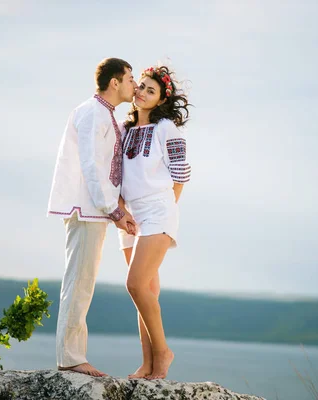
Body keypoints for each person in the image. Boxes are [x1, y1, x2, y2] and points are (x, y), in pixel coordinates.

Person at [47, 57, 137, 377]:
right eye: (130, 78)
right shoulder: (91, 112)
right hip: (87, 210)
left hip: (95, 211)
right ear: (114, 82)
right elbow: (92, 167)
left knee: (84, 282)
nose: (134, 84)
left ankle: (72, 354)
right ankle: (71, 357)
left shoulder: (103, 113)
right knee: (79, 281)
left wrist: (118, 210)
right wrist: (114, 211)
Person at [118, 65, 192, 380]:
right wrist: (121, 210)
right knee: (145, 291)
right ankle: (148, 366)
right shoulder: (123, 130)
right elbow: (115, 178)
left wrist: (166, 207)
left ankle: (163, 352)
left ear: (160, 99)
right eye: (142, 86)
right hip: (130, 217)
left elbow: (182, 173)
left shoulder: (166, 128)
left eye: (151, 90)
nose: (143, 93)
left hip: (159, 211)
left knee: (134, 284)